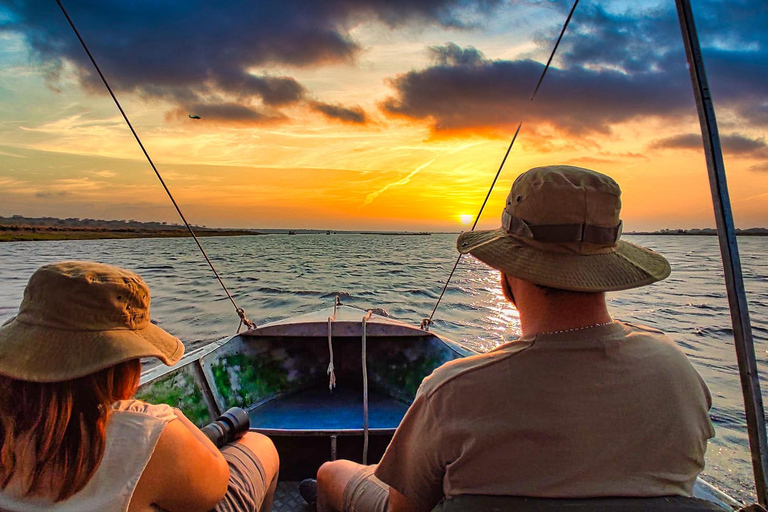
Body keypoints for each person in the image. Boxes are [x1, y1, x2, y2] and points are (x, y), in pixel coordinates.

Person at [311, 165, 716, 511]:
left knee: (332, 473)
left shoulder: (453, 391)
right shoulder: (678, 373)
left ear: (505, 276)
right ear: (607, 270)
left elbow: (403, 508)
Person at [0, 261, 279, 512]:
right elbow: (216, 486)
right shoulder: (145, 432)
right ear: (124, 363)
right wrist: (174, 418)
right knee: (260, 445)